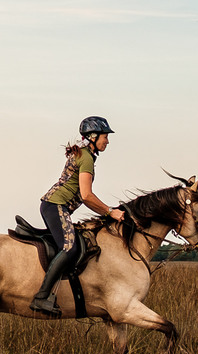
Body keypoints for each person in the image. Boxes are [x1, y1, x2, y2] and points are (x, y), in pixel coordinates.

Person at [30, 116, 126, 316]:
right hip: (56, 205)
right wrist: (110, 212)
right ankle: (41, 298)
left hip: (54, 205)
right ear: (92, 136)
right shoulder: (87, 158)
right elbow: (87, 195)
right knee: (69, 248)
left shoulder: (84, 154)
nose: (107, 141)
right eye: (105, 136)